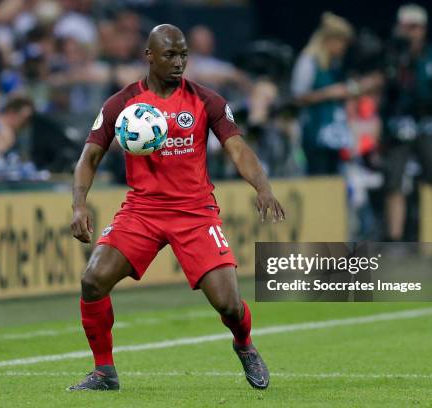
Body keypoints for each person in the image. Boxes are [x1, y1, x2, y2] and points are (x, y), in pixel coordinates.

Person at [69, 24, 285, 391]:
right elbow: (89, 156)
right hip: (142, 210)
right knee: (92, 281)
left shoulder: (207, 100)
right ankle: (104, 372)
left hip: (195, 212)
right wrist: (78, 206)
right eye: (170, 55)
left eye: (184, 54)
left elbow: (237, 148)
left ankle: (244, 344)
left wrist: (262, 187)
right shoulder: (122, 104)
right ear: (149, 56)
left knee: (229, 305)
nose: (179, 62)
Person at [380, 4, 432, 242]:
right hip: (398, 126)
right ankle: (394, 239)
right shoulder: (390, 55)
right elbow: (378, 88)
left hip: (426, 125)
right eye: (407, 27)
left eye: (416, 27)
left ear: (423, 28)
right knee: (395, 184)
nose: (412, 32)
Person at [291, 12, 364, 175]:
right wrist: (329, 93)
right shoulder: (308, 61)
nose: (343, 48)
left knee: (335, 176)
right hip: (314, 132)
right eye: (342, 43)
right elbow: (297, 98)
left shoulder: (334, 64)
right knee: (318, 174)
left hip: (334, 133)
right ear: (329, 40)